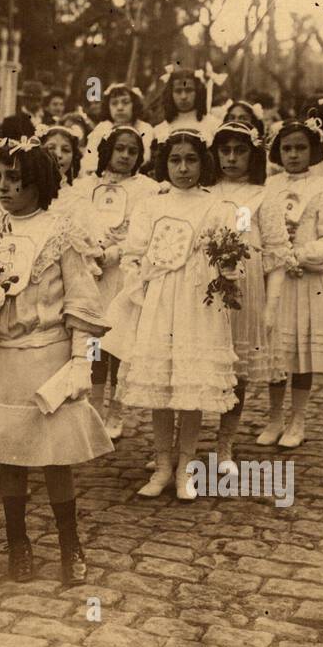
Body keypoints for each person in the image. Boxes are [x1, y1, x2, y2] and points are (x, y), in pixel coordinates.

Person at [0, 139, 112, 585]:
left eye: (15, 179)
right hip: (0, 356)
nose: (4, 187)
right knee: (8, 456)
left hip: (46, 355)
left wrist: (78, 362)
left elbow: (82, 302)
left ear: (39, 182)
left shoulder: (61, 232)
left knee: (55, 458)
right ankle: (18, 544)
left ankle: (71, 546)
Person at [103, 128, 239, 499]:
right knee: (162, 386)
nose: (183, 168)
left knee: (189, 388)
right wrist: (140, 288)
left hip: (197, 303)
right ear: (165, 163)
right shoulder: (152, 204)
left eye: (191, 159)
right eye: (175, 160)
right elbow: (134, 254)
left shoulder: (216, 206)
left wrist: (226, 266)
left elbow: (230, 255)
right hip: (160, 301)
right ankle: (162, 465)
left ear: (202, 162)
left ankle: (186, 468)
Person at [257, 117, 323, 449]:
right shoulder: (268, 187)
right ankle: (274, 417)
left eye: (300, 148)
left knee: (301, 352)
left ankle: (298, 419)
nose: (293, 155)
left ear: (313, 151)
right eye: (287, 148)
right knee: (275, 351)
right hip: (274, 282)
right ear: (277, 152)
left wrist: (298, 255)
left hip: (306, 280)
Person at [65, 125, 158, 438]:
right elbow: (75, 223)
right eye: (120, 149)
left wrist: (116, 252)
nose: (126, 156)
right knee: (93, 342)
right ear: (107, 150)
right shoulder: (86, 186)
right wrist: (90, 250)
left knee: (118, 342)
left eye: (133, 151)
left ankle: (116, 412)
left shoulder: (146, 189)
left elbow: (144, 231)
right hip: (92, 272)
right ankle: (92, 408)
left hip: (123, 273)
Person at [206, 120, 272, 473]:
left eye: (240, 151)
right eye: (225, 151)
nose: (231, 158)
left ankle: (224, 443)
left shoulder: (260, 194)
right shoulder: (205, 190)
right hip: (203, 282)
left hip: (244, 283)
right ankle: (179, 445)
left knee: (236, 364)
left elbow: (270, 246)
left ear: (253, 155)